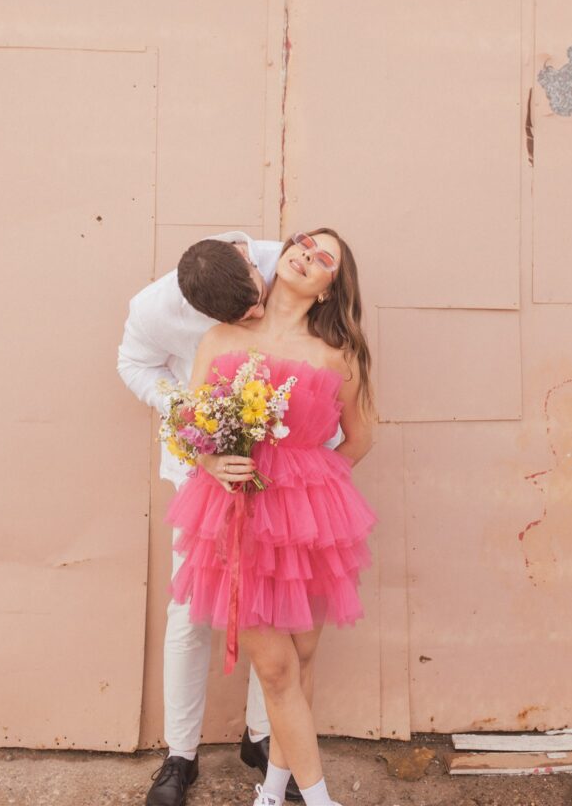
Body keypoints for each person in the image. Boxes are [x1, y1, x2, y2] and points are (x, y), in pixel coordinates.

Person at [164, 228, 377, 806]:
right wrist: (211, 460)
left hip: (306, 526)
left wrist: (312, 487)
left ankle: (272, 793)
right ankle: (321, 800)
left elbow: (360, 438)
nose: (308, 254)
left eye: (325, 256)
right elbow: (191, 427)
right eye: (304, 242)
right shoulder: (221, 336)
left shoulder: (339, 353)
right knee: (278, 671)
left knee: (301, 662)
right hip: (236, 520)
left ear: (332, 287)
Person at [118, 231, 331, 805]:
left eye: (256, 299)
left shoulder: (279, 261)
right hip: (200, 471)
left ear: (246, 260)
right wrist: (191, 415)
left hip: (280, 477)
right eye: (245, 314)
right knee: (191, 613)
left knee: (275, 608)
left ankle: (264, 739)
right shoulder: (153, 309)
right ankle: (179, 754)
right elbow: (133, 364)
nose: (258, 312)